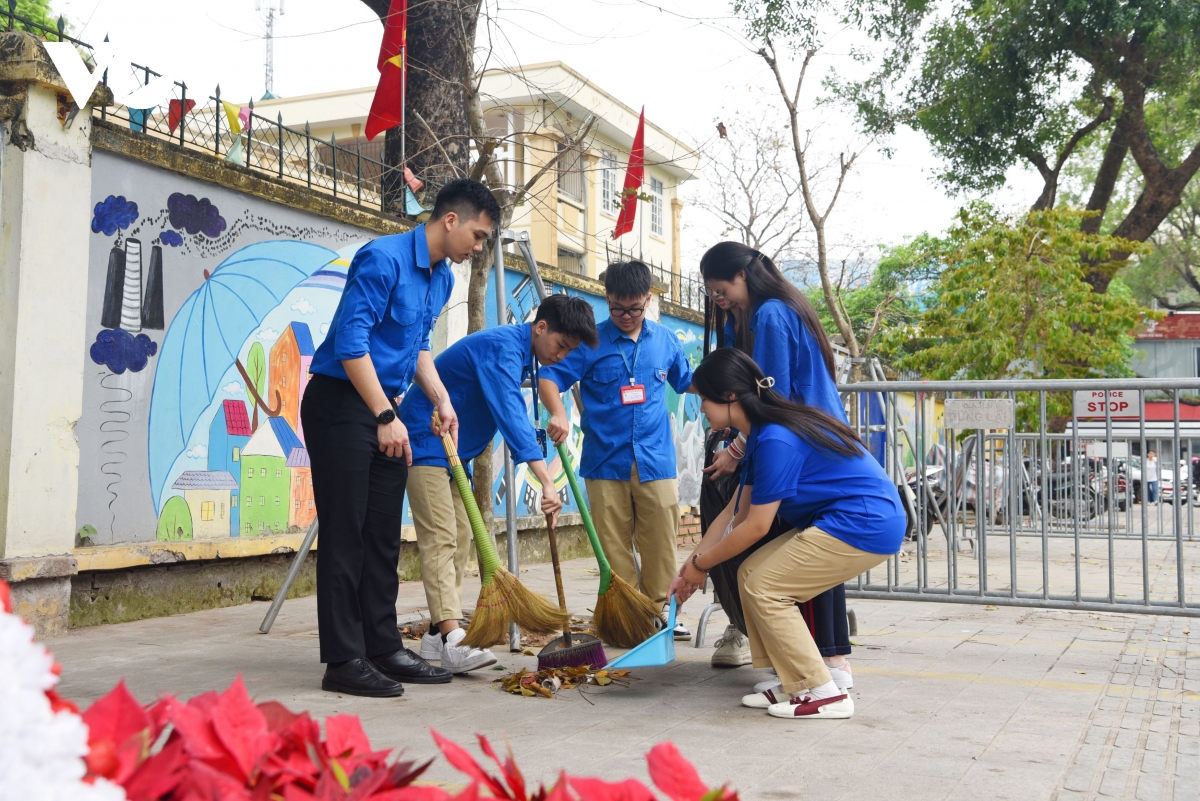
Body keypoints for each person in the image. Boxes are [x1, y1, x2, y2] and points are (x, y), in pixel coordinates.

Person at [302, 178, 500, 697]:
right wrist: (385, 413)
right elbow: (350, 343)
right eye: (478, 237)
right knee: (347, 534)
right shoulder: (383, 259)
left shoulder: (441, 281)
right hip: (342, 403)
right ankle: (343, 661)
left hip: (384, 410)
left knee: (384, 537)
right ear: (451, 220)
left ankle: (381, 646)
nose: (478, 249)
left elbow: (416, 347)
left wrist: (440, 398)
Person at [672, 348, 905, 719]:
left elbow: (756, 527)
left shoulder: (776, 439)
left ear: (730, 396)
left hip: (865, 521)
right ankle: (791, 680)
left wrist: (702, 565)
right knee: (750, 572)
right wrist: (690, 567)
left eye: (704, 399)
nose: (701, 409)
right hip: (846, 518)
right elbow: (735, 512)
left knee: (765, 585)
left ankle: (826, 693)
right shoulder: (760, 435)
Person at [401, 293, 599, 670]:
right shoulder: (502, 348)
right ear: (540, 328)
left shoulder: (527, 355)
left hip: (452, 453)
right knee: (442, 536)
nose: (561, 356)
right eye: (560, 345)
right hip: (426, 440)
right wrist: (545, 478)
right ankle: (454, 637)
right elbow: (510, 413)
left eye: (569, 350)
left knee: (460, 537)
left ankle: (433, 638)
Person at [698, 241, 853, 683]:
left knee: (794, 553)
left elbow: (772, 398)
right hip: (804, 442)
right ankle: (812, 661)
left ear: (742, 275)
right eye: (712, 295)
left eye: (719, 288)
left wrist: (737, 451)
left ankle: (827, 663)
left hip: (800, 447)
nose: (718, 298)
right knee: (796, 549)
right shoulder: (773, 311)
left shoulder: (770, 314)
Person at [539, 261, 695, 637]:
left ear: (649, 300)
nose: (626, 316)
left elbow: (687, 381)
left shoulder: (665, 341)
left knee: (660, 543)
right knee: (614, 547)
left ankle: (661, 616)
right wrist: (558, 412)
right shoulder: (590, 342)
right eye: (617, 308)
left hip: (656, 461)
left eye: (635, 309)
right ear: (606, 299)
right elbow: (549, 376)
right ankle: (629, 619)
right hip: (605, 461)